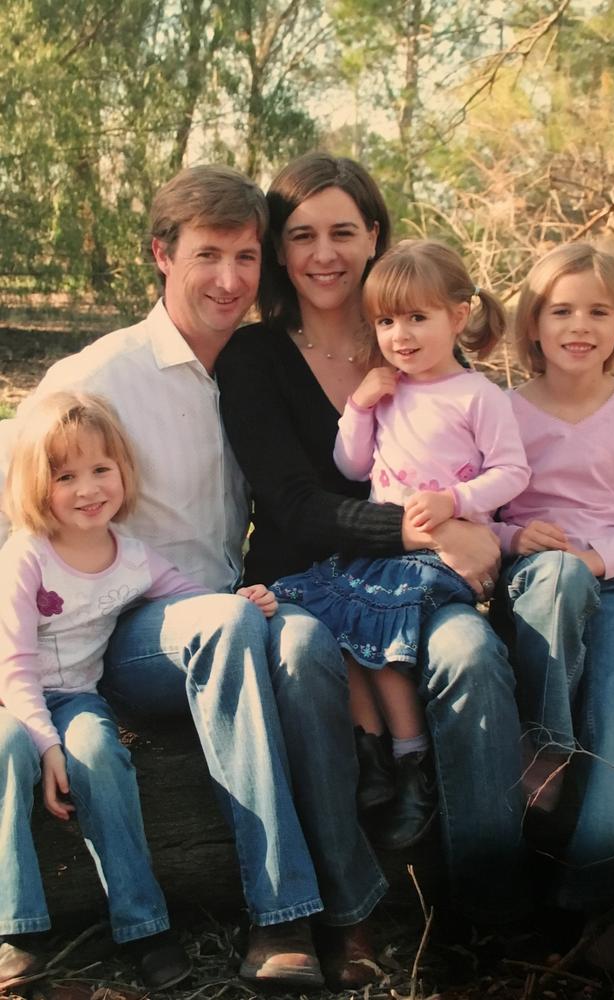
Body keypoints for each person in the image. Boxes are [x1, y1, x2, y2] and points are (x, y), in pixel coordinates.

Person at [0, 165, 387, 991]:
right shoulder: (96, 378)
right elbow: (15, 506)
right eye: (207, 255)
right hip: (126, 632)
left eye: (247, 257)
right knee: (228, 625)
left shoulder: (254, 366)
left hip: (226, 609)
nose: (229, 279)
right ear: (161, 256)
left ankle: (351, 914)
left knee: (306, 646)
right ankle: (278, 913)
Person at [217, 152, 532, 931]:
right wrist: (429, 527)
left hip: (425, 579)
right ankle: (348, 914)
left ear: (376, 237)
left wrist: (494, 527)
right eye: (301, 235)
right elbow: (292, 503)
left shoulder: (420, 339)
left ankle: (484, 909)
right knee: (303, 657)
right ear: (280, 251)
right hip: (309, 577)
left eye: (344, 233)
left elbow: (489, 456)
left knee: (471, 657)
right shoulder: (254, 358)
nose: (323, 255)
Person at [270, 239, 530, 852]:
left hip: (436, 558)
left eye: (418, 318)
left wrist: (457, 501)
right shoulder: (388, 392)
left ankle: (413, 764)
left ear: (459, 316)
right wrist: (359, 407)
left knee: (380, 642)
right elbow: (351, 463)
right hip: (381, 553)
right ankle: (373, 754)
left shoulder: (478, 396)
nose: (401, 336)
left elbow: (512, 473)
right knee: (338, 628)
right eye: (386, 322)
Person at [0, 391, 235, 989]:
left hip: (78, 696)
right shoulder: (26, 556)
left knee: (100, 754)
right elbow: (15, 664)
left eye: (101, 469)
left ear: (123, 474)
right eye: (65, 475)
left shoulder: (131, 557)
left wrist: (239, 603)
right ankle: (16, 927)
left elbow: (187, 596)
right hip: (12, 697)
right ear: (36, 484)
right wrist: (45, 746)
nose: (87, 489)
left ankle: (143, 924)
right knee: (9, 750)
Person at [490, 241, 614, 914]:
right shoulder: (502, 408)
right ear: (532, 323)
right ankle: (545, 745)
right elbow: (477, 511)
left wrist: (597, 560)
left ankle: (598, 893)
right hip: (532, 588)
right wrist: (513, 535)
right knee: (555, 578)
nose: (578, 327)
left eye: (598, 311)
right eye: (560, 311)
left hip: (610, 584)